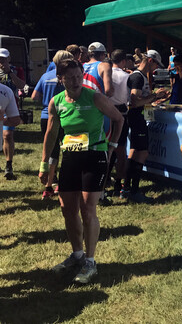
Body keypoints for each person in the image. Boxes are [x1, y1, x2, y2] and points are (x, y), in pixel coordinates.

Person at [40, 59, 123, 284]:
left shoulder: (94, 96)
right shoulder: (56, 102)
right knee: (67, 209)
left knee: (87, 210)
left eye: (79, 76)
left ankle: (90, 260)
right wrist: (44, 164)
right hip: (70, 158)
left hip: (94, 156)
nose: (76, 81)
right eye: (70, 78)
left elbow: (118, 118)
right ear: (61, 79)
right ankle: (76, 254)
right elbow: (51, 133)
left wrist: (112, 146)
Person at [121, 50, 169, 203]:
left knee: (135, 152)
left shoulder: (138, 76)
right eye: (155, 64)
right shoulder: (137, 77)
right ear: (149, 61)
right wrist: (155, 96)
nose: (155, 68)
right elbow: (135, 101)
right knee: (142, 153)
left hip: (137, 117)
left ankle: (126, 188)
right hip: (137, 117)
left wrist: (154, 98)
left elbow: (140, 99)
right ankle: (133, 190)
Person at [32, 50, 74, 197]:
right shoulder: (68, 78)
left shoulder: (45, 76)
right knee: (68, 148)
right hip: (65, 115)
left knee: (51, 149)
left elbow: (34, 96)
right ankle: (62, 182)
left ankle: (49, 184)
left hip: (45, 116)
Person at [107, 49, 131, 197]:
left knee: (107, 148)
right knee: (120, 150)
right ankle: (118, 183)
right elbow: (129, 96)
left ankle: (104, 182)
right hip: (120, 113)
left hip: (105, 112)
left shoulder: (105, 74)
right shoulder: (126, 76)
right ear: (123, 61)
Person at [0, 48, 26, 180]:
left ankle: (8, 164)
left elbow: (21, 85)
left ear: (9, 59)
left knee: (7, 135)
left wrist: (10, 73)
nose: (1, 61)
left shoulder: (17, 70)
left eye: (4, 58)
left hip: (10, 108)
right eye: (0, 59)